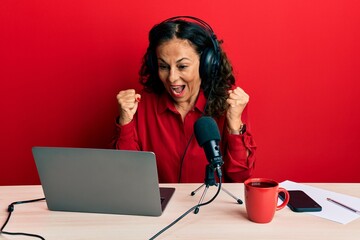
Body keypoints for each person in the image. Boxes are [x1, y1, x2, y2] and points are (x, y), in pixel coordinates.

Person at [113, 16, 256, 183]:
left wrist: (234, 124)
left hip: (213, 206)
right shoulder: (140, 105)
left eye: (182, 66)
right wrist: (125, 122)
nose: (172, 78)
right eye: (164, 66)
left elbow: (241, 177)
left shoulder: (230, 104)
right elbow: (125, 176)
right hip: (161, 208)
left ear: (206, 64)